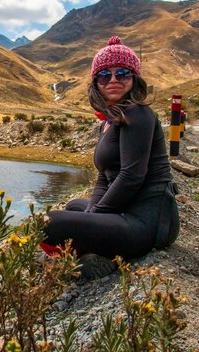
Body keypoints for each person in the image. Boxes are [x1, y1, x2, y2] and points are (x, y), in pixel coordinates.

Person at [41, 35, 180, 279]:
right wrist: (91, 215)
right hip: (124, 213)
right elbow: (105, 178)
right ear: (96, 82)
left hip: (148, 223)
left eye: (123, 73)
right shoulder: (110, 120)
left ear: (134, 78)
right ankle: (94, 254)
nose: (113, 79)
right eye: (105, 75)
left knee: (48, 224)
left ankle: (97, 257)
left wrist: (93, 218)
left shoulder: (137, 113)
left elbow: (131, 177)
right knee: (75, 206)